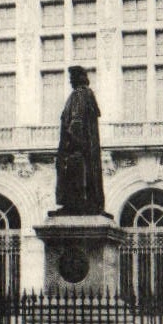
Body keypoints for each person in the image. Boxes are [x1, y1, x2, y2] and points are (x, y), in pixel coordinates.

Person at [55, 66, 106, 214]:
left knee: (75, 175)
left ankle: (74, 204)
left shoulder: (80, 94)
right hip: (84, 148)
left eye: (72, 77)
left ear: (79, 78)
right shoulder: (86, 94)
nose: (70, 80)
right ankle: (81, 202)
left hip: (75, 148)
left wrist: (71, 144)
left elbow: (76, 121)